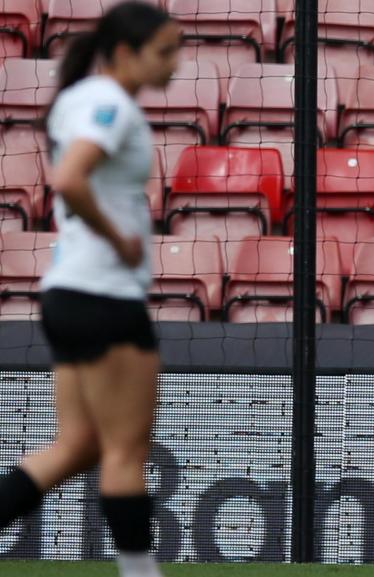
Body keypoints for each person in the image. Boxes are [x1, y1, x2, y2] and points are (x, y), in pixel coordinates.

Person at [0, 3, 179, 576]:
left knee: (78, 448)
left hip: (65, 294)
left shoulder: (77, 97)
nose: (175, 63)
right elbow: (71, 178)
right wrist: (120, 238)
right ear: (127, 53)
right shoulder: (111, 105)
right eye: (165, 51)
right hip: (104, 295)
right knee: (127, 452)